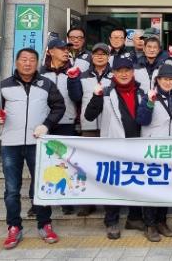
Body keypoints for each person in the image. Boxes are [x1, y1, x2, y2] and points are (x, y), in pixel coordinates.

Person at [0, 48, 66, 249]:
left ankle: (45, 224)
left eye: (32, 60)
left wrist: (46, 125)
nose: (28, 63)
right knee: (12, 189)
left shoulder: (46, 84)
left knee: (41, 186)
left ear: (37, 63)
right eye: (24, 59)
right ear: (16, 62)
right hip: (10, 143)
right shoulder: (4, 85)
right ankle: (14, 226)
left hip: (37, 142)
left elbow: (59, 107)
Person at [84, 55, 146, 240]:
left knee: (136, 182)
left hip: (138, 144)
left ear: (133, 72)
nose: (124, 74)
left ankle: (134, 218)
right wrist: (96, 97)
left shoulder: (142, 92)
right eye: (119, 71)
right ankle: (111, 221)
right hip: (114, 145)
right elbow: (89, 116)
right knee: (113, 184)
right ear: (113, 73)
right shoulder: (106, 93)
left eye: (127, 71)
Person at [136, 62, 172, 241]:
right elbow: (142, 120)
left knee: (166, 186)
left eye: (171, 79)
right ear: (158, 80)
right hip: (152, 150)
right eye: (165, 79)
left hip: (171, 150)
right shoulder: (149, 95)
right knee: (151, 186)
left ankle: (162, 221)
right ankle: (150, 224)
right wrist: (149, 103)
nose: (168, 82)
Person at [68, 42, 112, 217]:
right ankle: (88, 202)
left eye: (103, 54)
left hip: (109, 127)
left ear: (109, 57)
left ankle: (108, 202)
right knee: (87, 165)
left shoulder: (115, 76)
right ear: (92, 57)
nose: (100, 56)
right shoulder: (83, 76)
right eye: (96, 54)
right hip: (88, 126)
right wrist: (72, 80)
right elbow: (75, 96)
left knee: (107, 165)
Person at [40, 39, 81, 215]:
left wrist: (73, 79)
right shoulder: (40, 74)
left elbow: (77, 97)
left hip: (66, 122)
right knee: (43, 162)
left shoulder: (73, 72)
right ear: (50, 51)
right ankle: (39, 202)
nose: (66, 52)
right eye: (62, 49)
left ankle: (66, 200)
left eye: (67, 49)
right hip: (43, 125)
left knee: (65, 163)